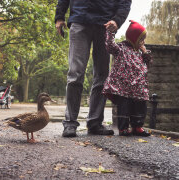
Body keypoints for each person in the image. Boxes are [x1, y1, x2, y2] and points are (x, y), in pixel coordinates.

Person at [55, 1, 132, 137]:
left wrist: (117, 20)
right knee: (75, 74)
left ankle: (95, 123)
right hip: (80, 19)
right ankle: (70, 123)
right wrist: (60, 16)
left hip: (106, 24)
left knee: (102, 76)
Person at [102, 20, 152, 136]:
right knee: (124, 108)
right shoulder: (121, 49)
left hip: (139, 87)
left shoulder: (140, 52)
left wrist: (145, 52)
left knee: (140, 107)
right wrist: (110, 33)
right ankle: (123, 128)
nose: (143, 42)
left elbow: (149, 62)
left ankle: (137, 126)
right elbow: (110, 46)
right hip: (123, 87)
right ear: (133, 38)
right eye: (141, 39)